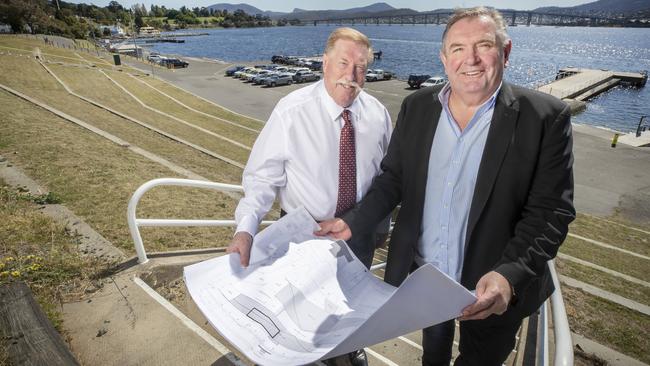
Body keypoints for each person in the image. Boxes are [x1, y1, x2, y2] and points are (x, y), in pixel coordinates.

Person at [316, 7, 575, 366]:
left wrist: (509, 276)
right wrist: (353, 221)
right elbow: (393, 180)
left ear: (506, 51)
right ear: (443, 58)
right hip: (427, 279)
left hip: (492, 288)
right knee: (432, 353)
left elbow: (550, 214)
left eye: (483, 45)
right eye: (457, 48)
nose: (470, 58)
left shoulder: (545, 119)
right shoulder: (417, 107)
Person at [227, 27, 392, 366]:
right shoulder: (292, 111)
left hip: (357, 232)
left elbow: (387, 175)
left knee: (350, 303)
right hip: (304, 235)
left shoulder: (378, 114)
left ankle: (347, 348)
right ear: (324, 63)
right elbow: (261, 179)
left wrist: (378, 225)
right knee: (302, 310)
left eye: (361, 66)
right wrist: (245, 228)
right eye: (343, 63)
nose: (351, 75)